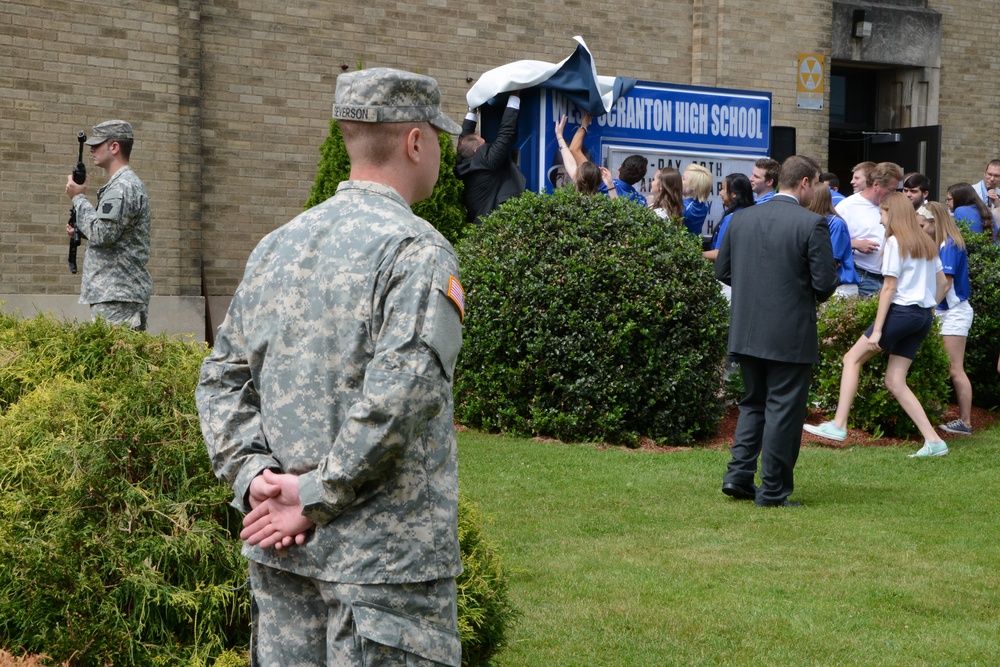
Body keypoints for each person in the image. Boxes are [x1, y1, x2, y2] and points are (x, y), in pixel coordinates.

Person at [195, 68, 465, 666]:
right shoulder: (417, 252)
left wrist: (254, 477)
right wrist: (311, 494)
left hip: (284, 557)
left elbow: (220, 379)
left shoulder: (276, 245)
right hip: (381, 573)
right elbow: (401, 399)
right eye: (437, 140)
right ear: (415, 142)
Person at [716, 155, 838, 507]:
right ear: (804, 183)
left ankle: (738, 476)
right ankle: (771, 490)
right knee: (783, 410)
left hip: (748, 328)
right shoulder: (812, 223)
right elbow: (826, 283)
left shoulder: (741, 218)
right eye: (815, 184)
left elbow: (723, 271)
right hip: (789, 333)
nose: (816, 190)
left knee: (753, 404)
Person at [804, 193, 949, 458]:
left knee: (852, 359)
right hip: (922, 317)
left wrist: (879, 329)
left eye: (882, 214)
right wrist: (928, 306)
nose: (880, 221)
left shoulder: (895, 242)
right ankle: (934, 441)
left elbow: (889, 288)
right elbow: (943, 284)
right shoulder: (927, 243)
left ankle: (838, 425)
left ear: (892, 214)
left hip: (902, 313)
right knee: (895, 380)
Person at [64, 119, 152, 331]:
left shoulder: (121, 187)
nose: (91, 149)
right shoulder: (123, 184)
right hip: (118, 294)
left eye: (97, 144)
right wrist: (83, 231)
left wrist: (78, 198)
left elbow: (103, 234)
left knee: (116, 362)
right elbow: (116, 233)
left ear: (114, 147)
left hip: (117, 296)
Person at [917, 202, 975, 435]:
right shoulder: (942, 243)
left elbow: (946, 283)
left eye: (921, 225)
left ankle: (966, 422)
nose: (918, 229)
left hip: (953, 312)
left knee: (954, 368)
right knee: (942, 366)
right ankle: (940, 412)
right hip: (944, 311)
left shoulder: (949, 244)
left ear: (934, 222)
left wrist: (928, 308)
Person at [456, 92, 526, 224]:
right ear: (477, 151)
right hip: (492, 225)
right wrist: (515, 96)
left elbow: (463, 141)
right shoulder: (486, 161)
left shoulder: (462, 163)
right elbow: (506, 134)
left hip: (478, 223)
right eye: (485, 145)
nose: (488, 145)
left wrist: (472, 110)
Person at [836, 161, 903, 296]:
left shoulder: (894, 206)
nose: (894, 194)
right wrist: (855, 244)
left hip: (893, 278)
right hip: (864, 277)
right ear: (876, 184)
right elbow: (830, 241)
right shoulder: (847, 207)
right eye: (891, 190)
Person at [807, 184, 860, 297]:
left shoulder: (836, 224)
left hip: (840, 287)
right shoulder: (814, 222)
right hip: (825, 284)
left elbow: (832, 262)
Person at [703, 172, 753, 262]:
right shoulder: (749, 214)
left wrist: (696, 254)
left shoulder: (730, 219)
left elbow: (718, 254)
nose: (720, 193)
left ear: (734, 194)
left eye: (723, 188)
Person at [681, 163, 712, 237]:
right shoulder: (704, 206)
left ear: (693, 186)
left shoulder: (685, 207)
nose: (680, 181)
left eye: (683, 179)